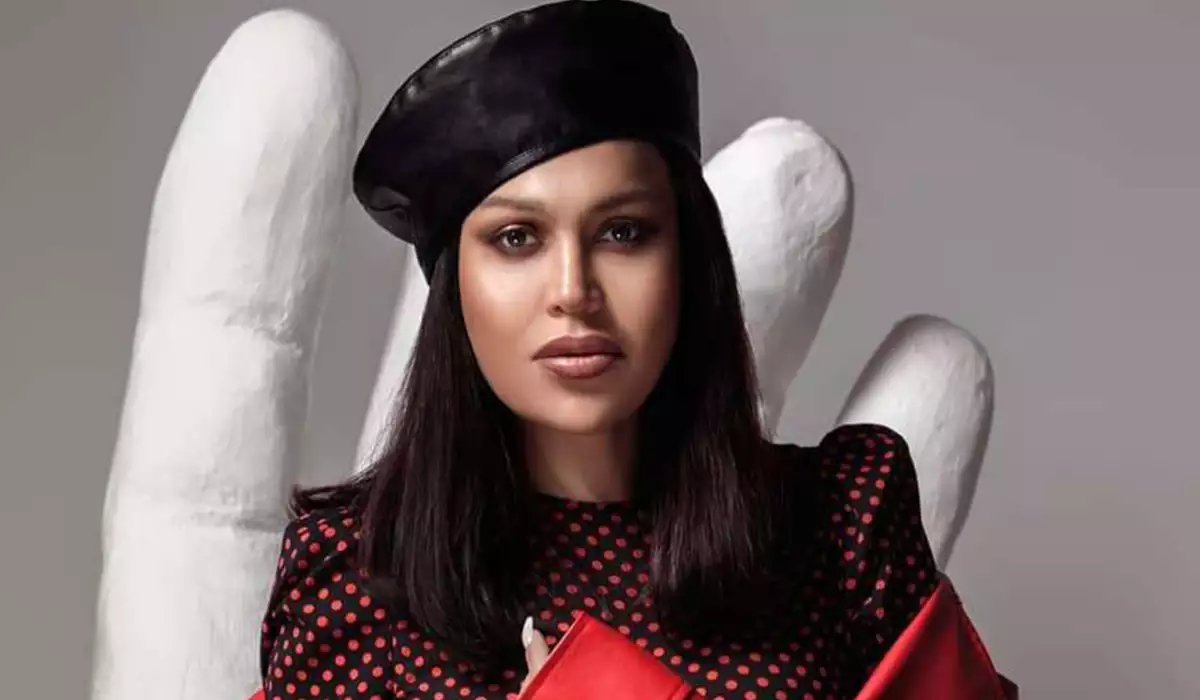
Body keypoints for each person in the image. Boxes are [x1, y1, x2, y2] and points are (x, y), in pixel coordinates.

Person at [255, 2, 1013, 698]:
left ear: (687, 258)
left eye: (622, 232)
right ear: (456, 289)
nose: (573, 290)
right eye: (516, 238)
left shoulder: (843, 524)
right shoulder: (352, 582)